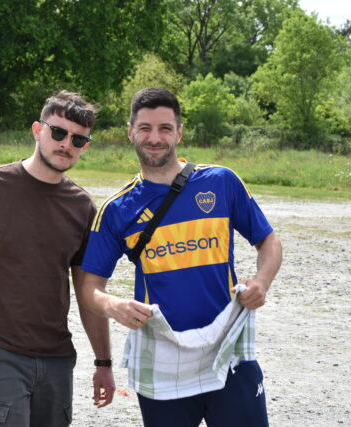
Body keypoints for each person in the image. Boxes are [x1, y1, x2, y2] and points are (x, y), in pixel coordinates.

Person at [77, 87, 283, 427]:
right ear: (130, 132)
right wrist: (114, 305)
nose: (154, 138)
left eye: (165, 128)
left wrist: (262, 281)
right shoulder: (117, 209)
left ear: (180, 132)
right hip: (162, 359)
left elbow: (269, 241)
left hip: (228, 351)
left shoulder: (221, 182)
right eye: (145, 128)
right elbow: (89, 288)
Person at [0, 90, 116, 426]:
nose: (66, 144)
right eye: (58, 132)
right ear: (38, 130)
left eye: (78, 139)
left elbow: (88, 292)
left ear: (85, 146)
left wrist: (103, 362)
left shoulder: (82, 207)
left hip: (57, 361)